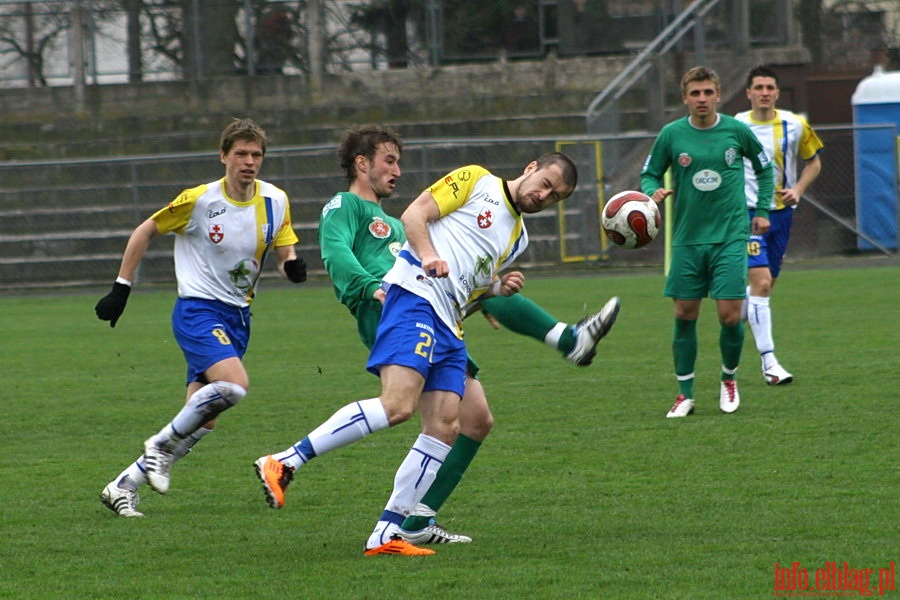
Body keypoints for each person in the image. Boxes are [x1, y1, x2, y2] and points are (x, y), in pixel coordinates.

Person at [256, 124, 618, 554]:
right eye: (545, 185)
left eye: (555, 197)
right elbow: (414, 215)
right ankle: (285, 461)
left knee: (447, 425)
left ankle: (389, 532)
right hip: (415, 297)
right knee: (397, 406)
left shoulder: (518, 237)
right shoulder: (477, 179)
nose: (544, 197)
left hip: (450, 322)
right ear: (531, 168)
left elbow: (469, 286)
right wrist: (428, 256)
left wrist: (496, 291)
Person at [96, 118, 307, 517]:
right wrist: (122, 287)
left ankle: (122, 485)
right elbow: (145, 230)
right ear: (223, 156)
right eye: (241, 154)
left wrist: (292, 266)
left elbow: (284, 250)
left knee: (203, 421)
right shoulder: (199, 200)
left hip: (239, 318)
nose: (249, 161)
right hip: (198, 310)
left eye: (256, 155)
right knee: (235, 386)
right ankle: (158, 445)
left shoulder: (275, 200)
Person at [640, 66, 774, 418]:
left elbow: (764, 168)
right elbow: (649, 173)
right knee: (685, 313)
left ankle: (728, 381)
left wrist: (762, 208)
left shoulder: (736, 131)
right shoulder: (671, 135)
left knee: (730, 317)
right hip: (687, 239)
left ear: (718, 95)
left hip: (730, 236)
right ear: (685, 98)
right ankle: (685, 394)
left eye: (708, 92)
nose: (702, 99)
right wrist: (653, 192)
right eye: (695, 93)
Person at [735, 65, 824, 385]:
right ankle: (770, 364)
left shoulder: (795, 124)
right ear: (748, 93)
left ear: (777, 92)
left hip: (782, 214)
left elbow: (814, 161)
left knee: (766, 285)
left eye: (770, 87)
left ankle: (733, 309)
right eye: (758, 87)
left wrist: (798, 189)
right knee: (761, 285)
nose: (764, 92)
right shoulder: (735, 126)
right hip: (746, 214)